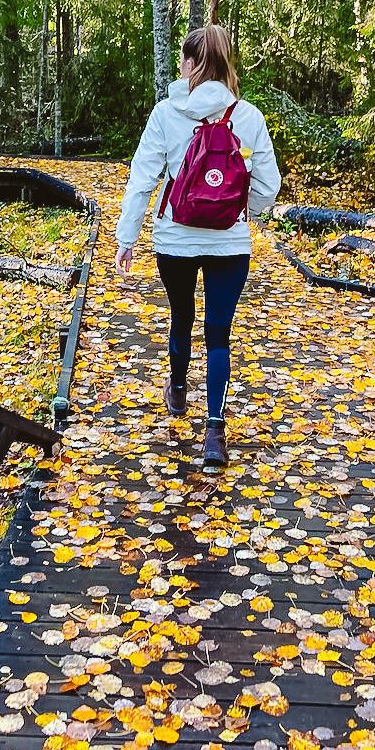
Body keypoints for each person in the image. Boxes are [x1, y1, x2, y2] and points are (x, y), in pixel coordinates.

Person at [114, 23, 281, 472]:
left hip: (175, 240)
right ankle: (214, 433)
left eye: (183, 60)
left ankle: (177, 388)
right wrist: (240, 209)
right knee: (219, 333)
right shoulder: (248, 117)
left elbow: (142, 178)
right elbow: (269, 185)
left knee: (181, 317)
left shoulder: (166, 114)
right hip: (231, 244)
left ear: (191, 63)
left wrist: (126, 238)